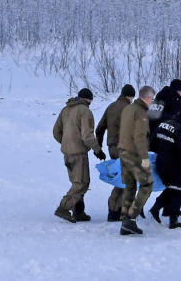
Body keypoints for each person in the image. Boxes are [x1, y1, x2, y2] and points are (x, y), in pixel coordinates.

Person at [52, 87, 106, 222]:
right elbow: (87, 136)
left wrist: (66, 143)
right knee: (82, 183)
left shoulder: (65, 110)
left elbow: (56, 131)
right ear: (88, 99)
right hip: (79, 154)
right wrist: (97, 150)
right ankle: (64, 208)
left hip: (67, 153)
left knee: (76, 182)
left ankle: (79, 211)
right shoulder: (85, 111)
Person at [117, 84, 155, 235]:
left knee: (130, 185)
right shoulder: (141, 113)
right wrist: (145, 158)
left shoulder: (128, 109)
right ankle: (131, 218)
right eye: (152, 98)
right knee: (147, 184)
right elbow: (139, 137)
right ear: (147, 98)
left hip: (123, 151)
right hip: (134, 154)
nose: (152, 101)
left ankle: (125, 218)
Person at [148, 107, 181, 229]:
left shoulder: (164, 124)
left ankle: (157, 208)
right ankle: (173, 220)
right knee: (179, 190)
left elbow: (152, 141)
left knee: (172, 188)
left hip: (161, 163)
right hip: (174, 165)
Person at [95, 83, 136, 221]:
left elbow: (99, 129)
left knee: (119, 179)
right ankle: (119, 212)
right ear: (130, 96)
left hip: (112, 148)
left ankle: (113, 211)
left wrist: (99, 147)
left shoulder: (111, 107)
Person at [148, 77, 181, 142]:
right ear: (177, 90)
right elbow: (180, 122)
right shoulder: (175, 103)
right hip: (165, 137)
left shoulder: (157, 100)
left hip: (151, 136)